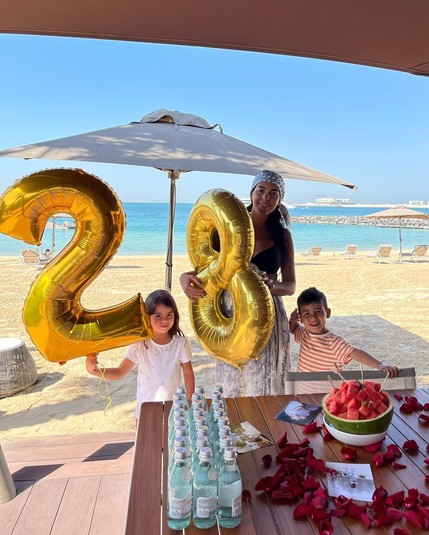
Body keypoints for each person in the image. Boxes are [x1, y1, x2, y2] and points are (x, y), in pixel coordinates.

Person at [180, 170, 296, 396]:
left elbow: (290, 286)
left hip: (267, 312)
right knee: (230, 381)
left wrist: (270, 286)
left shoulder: (283, 236)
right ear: (252, 192)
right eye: (261, 190)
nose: (266, 198)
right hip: (228, 310)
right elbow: (208, 267)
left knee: (265, 381)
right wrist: (184, 277)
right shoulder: (228, 227)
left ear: (280, 200)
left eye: (274, 193)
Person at [85, 289, 195, 418]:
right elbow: (120, 372)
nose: (164, 320)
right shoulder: (140, 344)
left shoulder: (180, 344)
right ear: (146, 317)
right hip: (145, 410)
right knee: (145, 432)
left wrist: (189, 400)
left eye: (169, 315)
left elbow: (188, 373)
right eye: (158, 316)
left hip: (173, 411)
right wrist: (94, 370)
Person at [289, 286, 399, 377]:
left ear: (327, 313)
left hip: (325, 391)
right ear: (301, 318)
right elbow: (292, 329)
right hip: (302, 388)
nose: (313, 317)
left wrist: (379, 365)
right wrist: (292, 320)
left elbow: (355, 352)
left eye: (318, 311)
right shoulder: (304, 334)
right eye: (306, 314)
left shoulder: (333, 342)